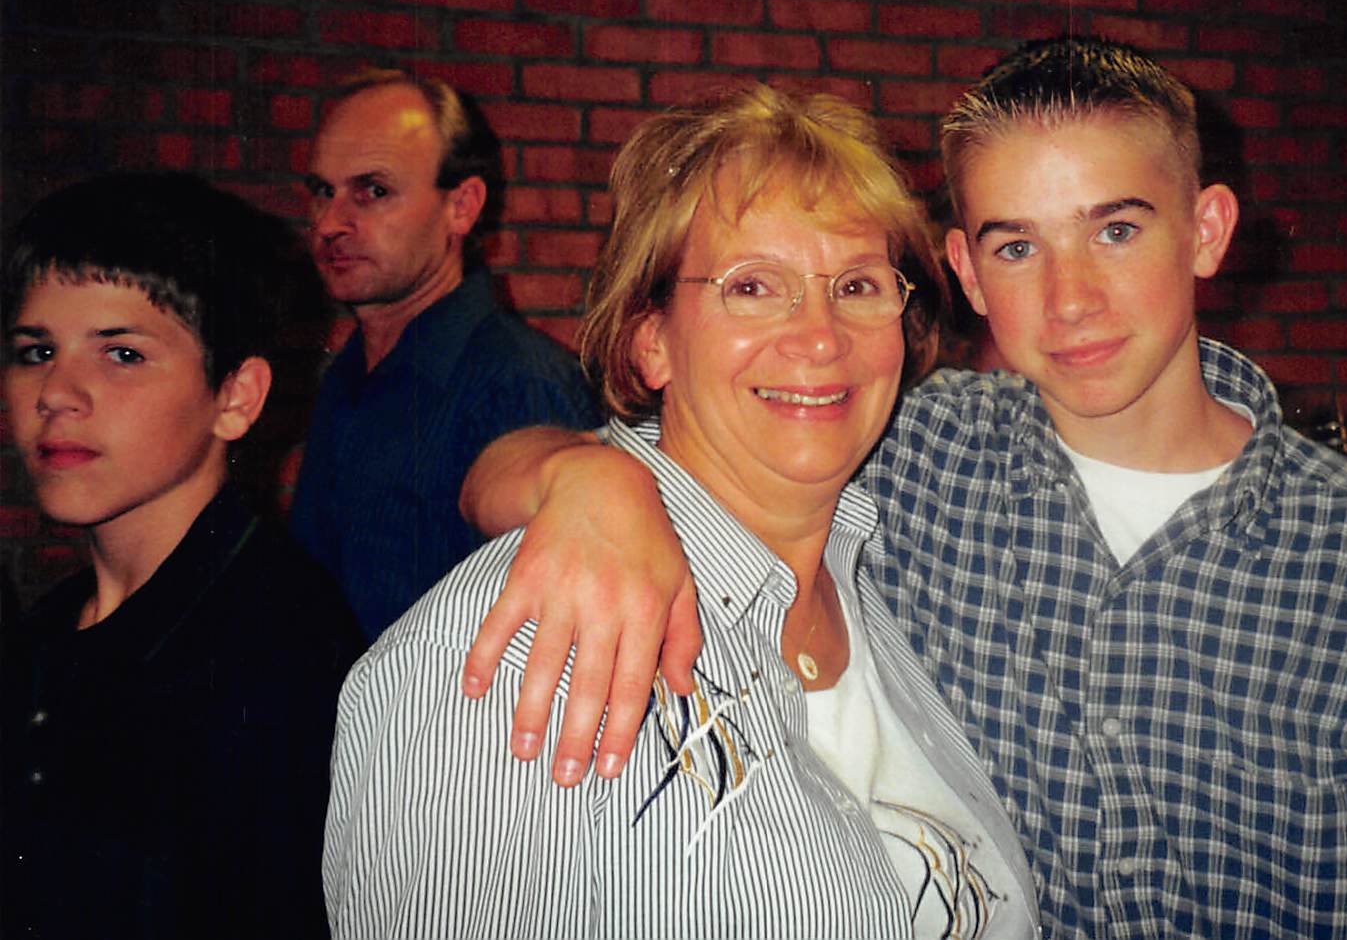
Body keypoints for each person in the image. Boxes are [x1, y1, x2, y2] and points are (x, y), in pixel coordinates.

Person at [459, 38, 1347, 938]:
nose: (1071, 299)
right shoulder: (898, 451)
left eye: (1116, 229)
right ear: (963, 269)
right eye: (1017, 244)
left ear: (1207, 230)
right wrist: (587, 479)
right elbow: (543, 463)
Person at [323, 86, 1038, 939]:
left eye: (856, 284)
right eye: (752, 286)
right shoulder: (518, 658)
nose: (820, 337)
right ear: (650, 340)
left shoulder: (884, 582)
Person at [0, 173, 364, 940]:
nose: (57, 392)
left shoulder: (278, 647)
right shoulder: (49, 632)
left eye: (121, 353)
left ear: (235, 397)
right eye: (36, 351)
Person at [290, 69, 598, 638]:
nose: (330, 224)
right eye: (323, 192)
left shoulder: (520, 387)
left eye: (373, 192)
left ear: (462, 206)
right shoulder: (348, 374)